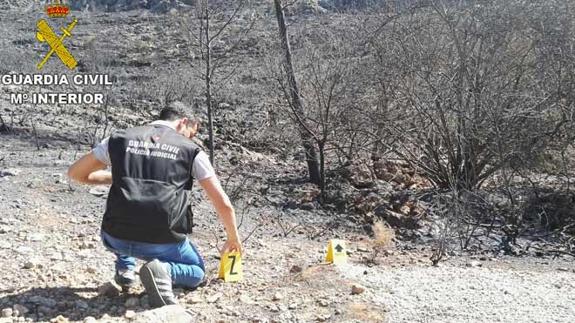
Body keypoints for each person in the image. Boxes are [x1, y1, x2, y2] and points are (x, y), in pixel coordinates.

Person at [67, 102, 242, 308]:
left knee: (130, 208)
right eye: (191, 133)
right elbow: (222, 202)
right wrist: (233, 239)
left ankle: (125, 269)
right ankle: (164, 271)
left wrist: (121, 178)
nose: (190, 138)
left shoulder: (118, 139)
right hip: (162, 241)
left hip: (115, 237)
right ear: (182, 122)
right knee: (196, 272)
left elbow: (76, 174)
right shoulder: (191, 151)